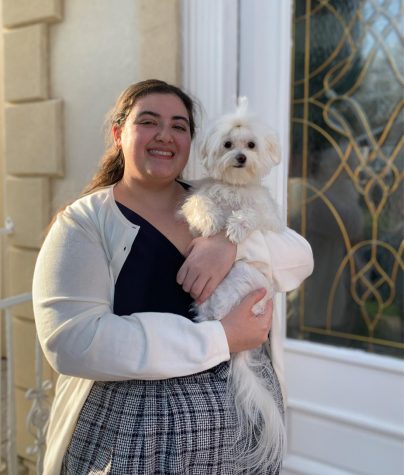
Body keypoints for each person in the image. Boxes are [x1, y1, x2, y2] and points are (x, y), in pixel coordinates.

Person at [33, 79, 313, 474]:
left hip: (242, 430)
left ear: (191, 142)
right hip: (134, 439)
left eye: (179, 126)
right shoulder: (83, 223)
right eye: (148, 122)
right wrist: (222, 337)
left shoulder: (213, 199)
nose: (165, 135)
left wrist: (231, 245)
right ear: (118, 133)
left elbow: (300, 258)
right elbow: (74, 341)